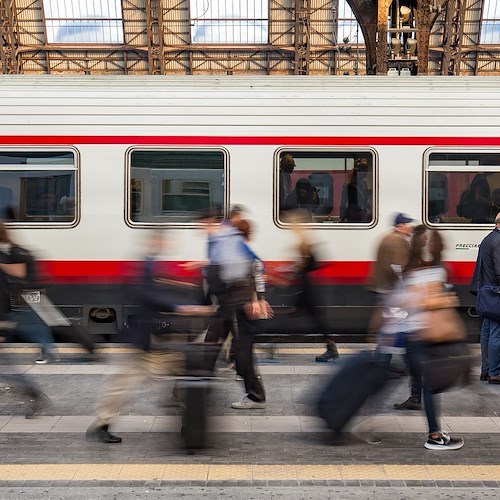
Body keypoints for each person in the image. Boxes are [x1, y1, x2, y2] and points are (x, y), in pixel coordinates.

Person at [86, 231, 213, 443]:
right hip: (144, 340)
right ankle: (102, 424)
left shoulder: (152, 265)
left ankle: (190, 422)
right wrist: (180, 307)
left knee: (185, 374)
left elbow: (157, 289)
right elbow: (146, 295)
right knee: (124, 382)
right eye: (161, 240)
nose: (165, 244)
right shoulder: (142, 265)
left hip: (157, 340)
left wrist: (180, 289)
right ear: (153, 241)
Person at [391, 228, 464, 450]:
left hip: (413, 335)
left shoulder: (408, 270)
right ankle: (434, 436)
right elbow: (434, 301)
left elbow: (400, 303)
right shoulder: (437, 272)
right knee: (430, 385)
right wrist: (444, 301)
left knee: (421, 382)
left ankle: (434, 432)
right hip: (427, 336)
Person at [285, 209, 339, 362]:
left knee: (315, 319)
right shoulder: (304, 241)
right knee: (313, 319)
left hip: (308, 288)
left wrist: (296, 270)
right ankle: (331, 348)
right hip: (307, 286)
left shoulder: (304, 242)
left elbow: (309, 264)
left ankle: (331, 349)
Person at [0, 224, 59, 364]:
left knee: (31, 324)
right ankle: (48, 350)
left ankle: (48, 351)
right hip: (19, 293)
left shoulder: (13, 251)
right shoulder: (9, 249)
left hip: (25, 293)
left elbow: (20, 272)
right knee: (26, 323)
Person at [470, 212, 500, 383]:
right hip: (496, 293)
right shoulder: (499, 241)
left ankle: (486, 370)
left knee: (487, 332)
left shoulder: (488, 238)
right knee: (497, 334)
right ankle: (495, 372)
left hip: (487, 292)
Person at [340, 157, 373, 222]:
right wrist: (342, 217)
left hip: (364, 214)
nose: (366, 172)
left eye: (366, 169)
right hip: (353, 215)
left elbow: (365, 199)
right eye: (363, 169)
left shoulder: (364, 183)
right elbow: (343, 203)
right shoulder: (348, 185)